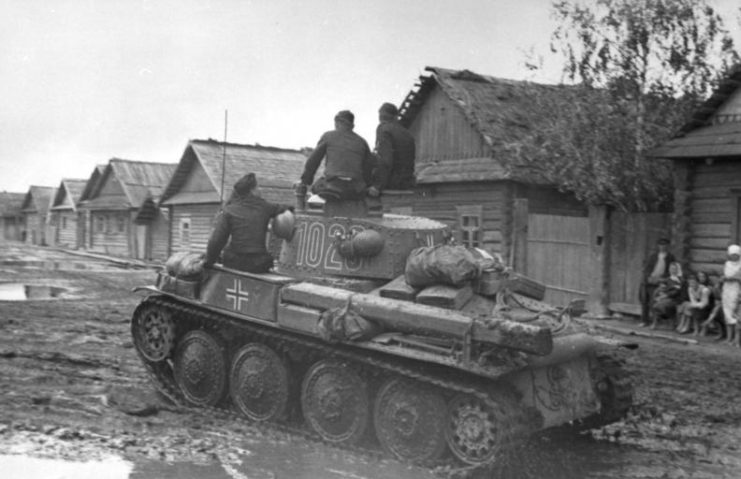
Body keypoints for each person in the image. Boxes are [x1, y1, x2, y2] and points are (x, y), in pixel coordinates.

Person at [203, 173, 291, 274]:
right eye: (257, 187)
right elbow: (285, 208)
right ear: (251, 191)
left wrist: (210, 262)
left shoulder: (229, 210)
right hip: (259, 265)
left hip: (234, 263)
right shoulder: (265, 207)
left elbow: (217, 240)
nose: (260, 189)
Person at [300, 110, 375, 215]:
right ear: (352, 126)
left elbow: (313, 161)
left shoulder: (328, 136)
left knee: (316, 186)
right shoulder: (362, 142)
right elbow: (368, 169)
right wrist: (368, 185)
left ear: (337, 122)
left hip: (333, 187)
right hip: (355, 190)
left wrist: (305, 181)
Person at [367, 102, 416, 197]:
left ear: (380, 117)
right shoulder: (407, 133)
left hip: (391, 182)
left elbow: (386, 160)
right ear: (395, 116)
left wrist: (377, 186)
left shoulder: (383, 129)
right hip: (406, 182)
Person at [639, 238, 676, 326]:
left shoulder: (670, 257)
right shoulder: (653, 256)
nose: (662, 247)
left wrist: (663, 279)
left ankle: (655, 321)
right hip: (648, 281)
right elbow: (647, 268)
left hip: (660, 282)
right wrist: (648, 277)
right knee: (644, 301)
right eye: (660, 245)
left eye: (664, 245)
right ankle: (644, 320)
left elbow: (671, 270)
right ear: (658, 246)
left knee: (654, 301)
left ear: (668, 246)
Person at [649, 261, 684, 329]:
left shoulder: (680, 280)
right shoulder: (667, 279)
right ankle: (656, 323)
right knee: (655, 303)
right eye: (671, 269)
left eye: (674, 269)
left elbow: (676, 292)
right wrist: (661, 293)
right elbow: (662, 288)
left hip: (676, 299)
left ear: (677, 270)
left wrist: (665, 295)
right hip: (667, 298)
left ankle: (671, 321)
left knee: (659, 305)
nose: (672, 270)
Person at [721, 244, 741, 347]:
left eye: (736, 255)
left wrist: (733, 278)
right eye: (732, 254)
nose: (734, 256)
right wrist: (724, 278)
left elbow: (739, 278)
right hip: (726, 290)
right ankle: (728, 338)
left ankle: (735, 339)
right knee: (727, 312)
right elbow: (724, 275)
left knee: (735, 313)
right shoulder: (727, 264)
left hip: (736, 289)